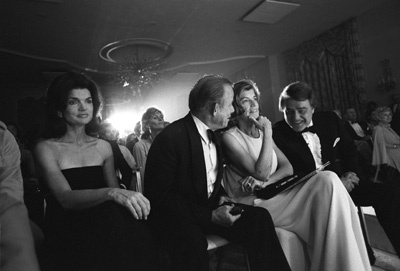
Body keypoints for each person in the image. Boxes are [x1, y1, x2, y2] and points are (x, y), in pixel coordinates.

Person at [144, 75, 291, 271]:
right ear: (215, 108)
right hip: (180, 217)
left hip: (210, 209)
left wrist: (221, 197)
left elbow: (209, 179)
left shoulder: (215, 135)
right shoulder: (170, 138)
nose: (233, 110)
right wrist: (210, 216)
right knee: (192, 242)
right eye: (230, 104)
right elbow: (159, 197)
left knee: (259, 219)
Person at [221, 79, 371, 271]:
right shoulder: (230, 137)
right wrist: (267, 133)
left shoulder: (263, 133)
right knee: (327, 188)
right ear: (235, 106)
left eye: (255, 99)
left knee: (328, 179)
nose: (253, 105)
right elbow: (262, 171)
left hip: (271, 194)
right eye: (245, 100)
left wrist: (265, 184)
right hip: (254, 203)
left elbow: (287, 169)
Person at [33, 71, 161, 271]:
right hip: (68, 225)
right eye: (74, 102)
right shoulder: (46, 148)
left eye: (88, 101)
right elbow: (66, 199)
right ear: (59, 109)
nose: (84, 107)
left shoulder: (103, 146)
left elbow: (114, 193)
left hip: (104, 220)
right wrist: (112, 193)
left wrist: (128, 196)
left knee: (143, 228)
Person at [272, 81, 400, 259]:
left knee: (391, 193)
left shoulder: (329, 120)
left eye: (301, 111)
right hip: (314, 196)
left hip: (349, 183)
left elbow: (349, 150)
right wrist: (335, 186)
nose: (295, 117)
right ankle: (359, 256)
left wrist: (352, 175)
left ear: (313, 108)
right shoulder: (277, 134)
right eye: (288, 112)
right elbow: (292, 174)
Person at [0, 120, 40, 271]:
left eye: (14, 130)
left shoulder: (5, 140)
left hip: (22, 194)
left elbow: (9, 196)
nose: (11, 132)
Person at [133, 107, 165, 192]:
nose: (160, 119)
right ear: (147, 125)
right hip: (153, 191)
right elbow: (143, 176)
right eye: (155, 118)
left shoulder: (169, 142)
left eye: (161, 116)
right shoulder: (140, 146)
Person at [98, 122, 138, 190]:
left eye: (113, 131)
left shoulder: (114, 146)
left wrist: (123, 186)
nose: (112, 133)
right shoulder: (97, 146)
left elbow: (126, 169)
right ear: (102, 134)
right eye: (108, 132)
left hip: (113, 188)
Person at [372, 106, 400, 174]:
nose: (388, 116)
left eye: (389, 114)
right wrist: (395, 146)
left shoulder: (389, 128)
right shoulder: (378, 129)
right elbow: (380, 146)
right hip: (389, 155)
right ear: (379, 117)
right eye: (385, 115)